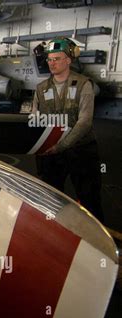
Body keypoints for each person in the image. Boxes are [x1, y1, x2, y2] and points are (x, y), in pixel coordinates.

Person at [32, 37, 104, 221]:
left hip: (81, 150)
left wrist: (61, 146)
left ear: (68, 60)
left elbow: (85, 122)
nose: (51, 63)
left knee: (90, 200)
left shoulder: (84, 84)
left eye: (57, 58)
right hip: (50, 153)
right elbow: (34, 119)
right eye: (49, 59)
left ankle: (98, 242)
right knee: (49, 199)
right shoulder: (41, 88)